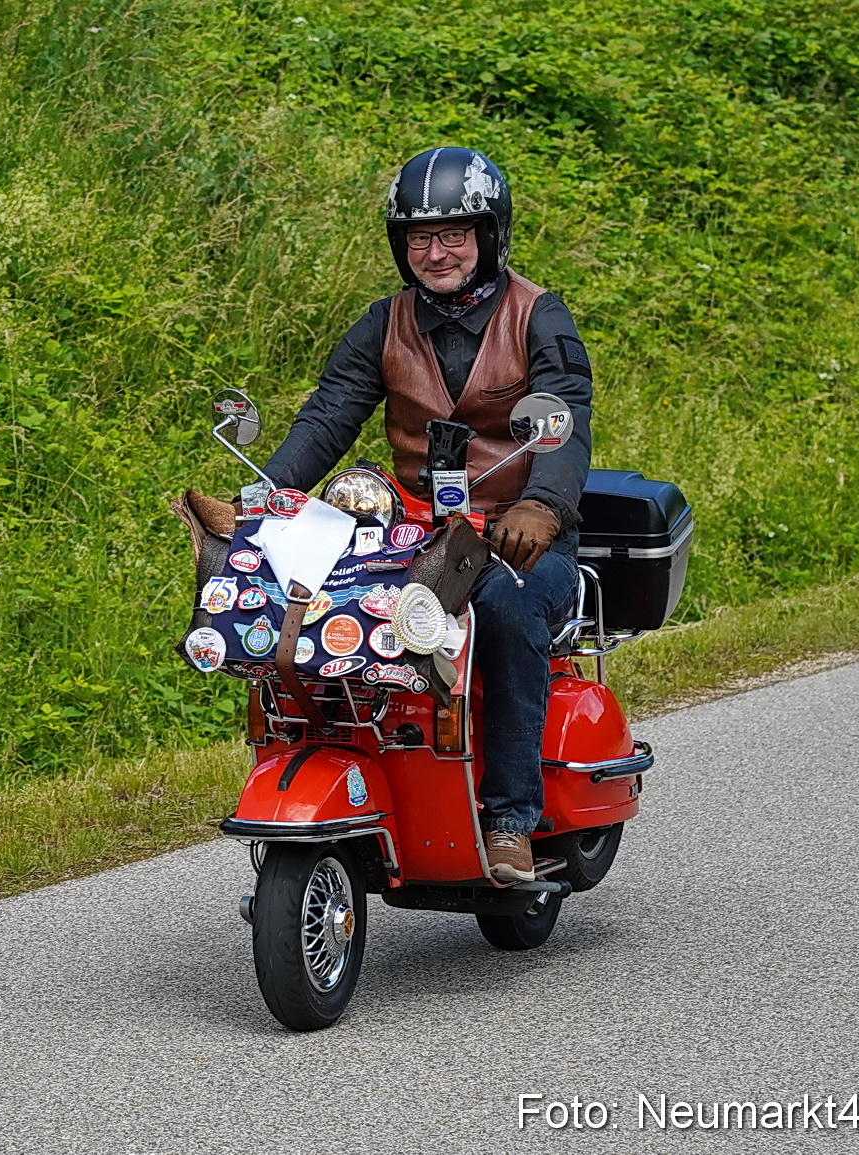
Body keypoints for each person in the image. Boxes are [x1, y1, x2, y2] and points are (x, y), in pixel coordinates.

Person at [261, 146, 593, 883]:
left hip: (517, 538)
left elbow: (567, 417)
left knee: (506, 609)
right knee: (306, 591)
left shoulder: (538, 316)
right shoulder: (384, 323)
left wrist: (543, 503)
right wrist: (265, 495)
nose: (436, 253)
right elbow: (329, 415)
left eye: (453, 235)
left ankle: (509, 819)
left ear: (489, 235)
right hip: (412, 533)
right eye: (418, 237)